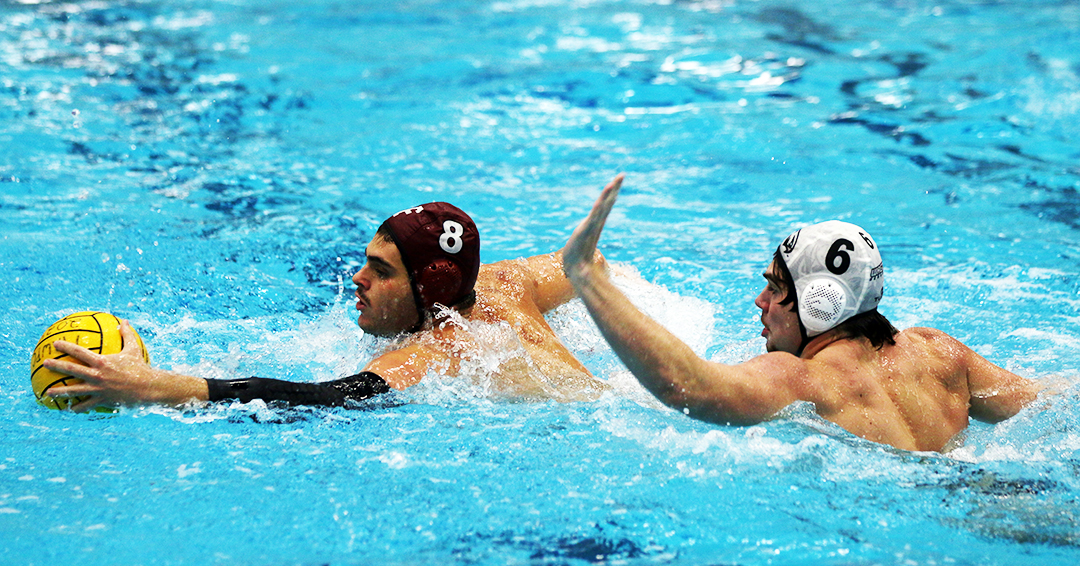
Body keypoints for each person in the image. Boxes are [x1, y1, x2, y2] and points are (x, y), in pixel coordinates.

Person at [561, 174, 1041, 452]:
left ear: (820, 301)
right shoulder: (940, 355)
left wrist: (588, 278)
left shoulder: (801, 381)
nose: (760, 302)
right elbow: (1049, 402)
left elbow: (686, 385)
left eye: (774, 287)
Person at [44, 201, 608, 411]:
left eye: (381, 271)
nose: (356, 278)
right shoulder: (503, 282)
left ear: (432, 290)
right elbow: (592, 265)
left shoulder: (433, 354)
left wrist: (151, 386)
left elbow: (315, 398)